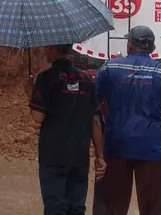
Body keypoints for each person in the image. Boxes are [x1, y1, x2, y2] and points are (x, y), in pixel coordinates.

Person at [93, 26, 161, 215]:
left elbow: (93, 106)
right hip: (152, 147)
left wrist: (98, 150)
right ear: (152, 48)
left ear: (129, 45)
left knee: (111, 204)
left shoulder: (110, 68)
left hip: (116, 145)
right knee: (154, 206)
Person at [24, 44, 106, 215]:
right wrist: (100, 156)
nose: (45, 49)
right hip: (79, 155)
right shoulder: (86, 80)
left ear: (53, 48)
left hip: (53, 155)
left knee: (56, 207)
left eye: (48, 47)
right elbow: (96, 121)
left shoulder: (46, 78)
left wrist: (30, 93)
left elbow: (37, 117)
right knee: (76, 207)